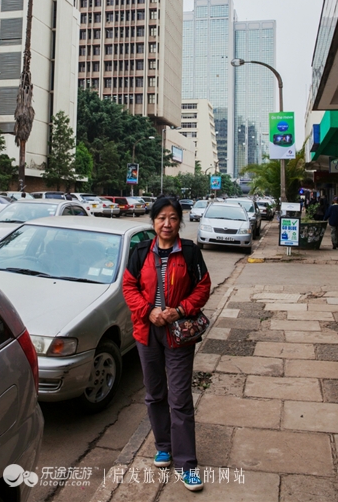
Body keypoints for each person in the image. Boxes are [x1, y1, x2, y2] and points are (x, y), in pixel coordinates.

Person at [123, 197, 211, 492]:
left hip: (179, 333)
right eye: (161, 218)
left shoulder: (189, 251)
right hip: (147, 333)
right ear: (153, 221)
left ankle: (187, 464)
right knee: (155, 392)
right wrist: (149, 311)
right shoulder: (139, 252)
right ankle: (163, 446)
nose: (167, 223)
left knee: (180, 397)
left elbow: (203, 286)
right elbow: (129, 286)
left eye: (173, 218)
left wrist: (180, 310)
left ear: (179, 222)